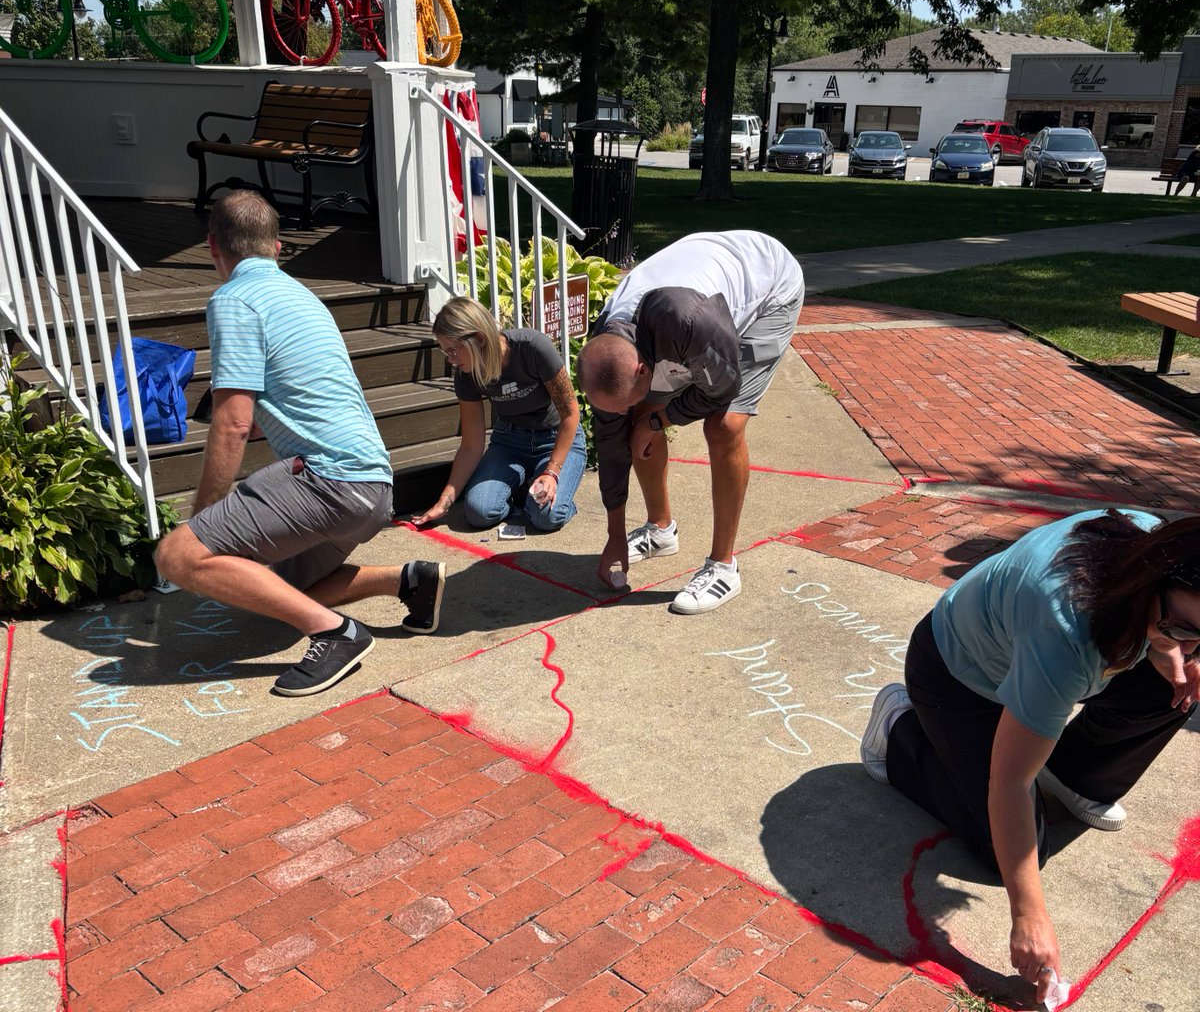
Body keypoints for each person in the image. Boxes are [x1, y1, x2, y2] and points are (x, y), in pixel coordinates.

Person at [859, 509, 1200, 1005]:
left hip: (1049, 648)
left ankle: (1074, 776)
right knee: (1013, 856)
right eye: (1182, 626)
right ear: (1148, 581)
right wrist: (1029, 916)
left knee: (1175, 687)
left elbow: (1169, 629)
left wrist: (1174, 647)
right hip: (959, 677)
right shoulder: (1065, 629)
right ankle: (900, 736)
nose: (1192, 644)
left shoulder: (1160, 547)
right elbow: (1011, 783)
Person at [155, 191, 446, 698]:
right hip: (374, 486)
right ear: (277, 245)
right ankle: (409, 581)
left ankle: (337, 634)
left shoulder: (234, 299)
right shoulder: (299, 295)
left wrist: (204, 518)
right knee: (274, 591)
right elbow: (289, 406)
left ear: (211, 247)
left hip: (328, 480)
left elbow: (233, 425)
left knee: (178, 557)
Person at [576, 230, 805, 613]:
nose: (615, 411)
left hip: (769, 287)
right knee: (637, 418)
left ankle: (724, 566)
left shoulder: (687, 322)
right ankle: (660, 530)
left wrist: (660, 418)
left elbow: (720, 387)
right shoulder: (607, 356)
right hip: (703, 294)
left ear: (643, 368)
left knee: (723, 426)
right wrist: (614, 533)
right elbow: (612, 445)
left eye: (622, 402)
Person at [411, 296, 586, 532]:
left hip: (556, 438)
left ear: (479, 339)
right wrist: (446, 500)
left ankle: (556, 497)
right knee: (478, 511)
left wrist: (553, 471)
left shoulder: (533, 347)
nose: (451, 360)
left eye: (453, 351)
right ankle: (525, 489)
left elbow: (571, 413)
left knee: (547, 516)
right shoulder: (466, 374)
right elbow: (472, 445)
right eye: (446, 352)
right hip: (510, 442)